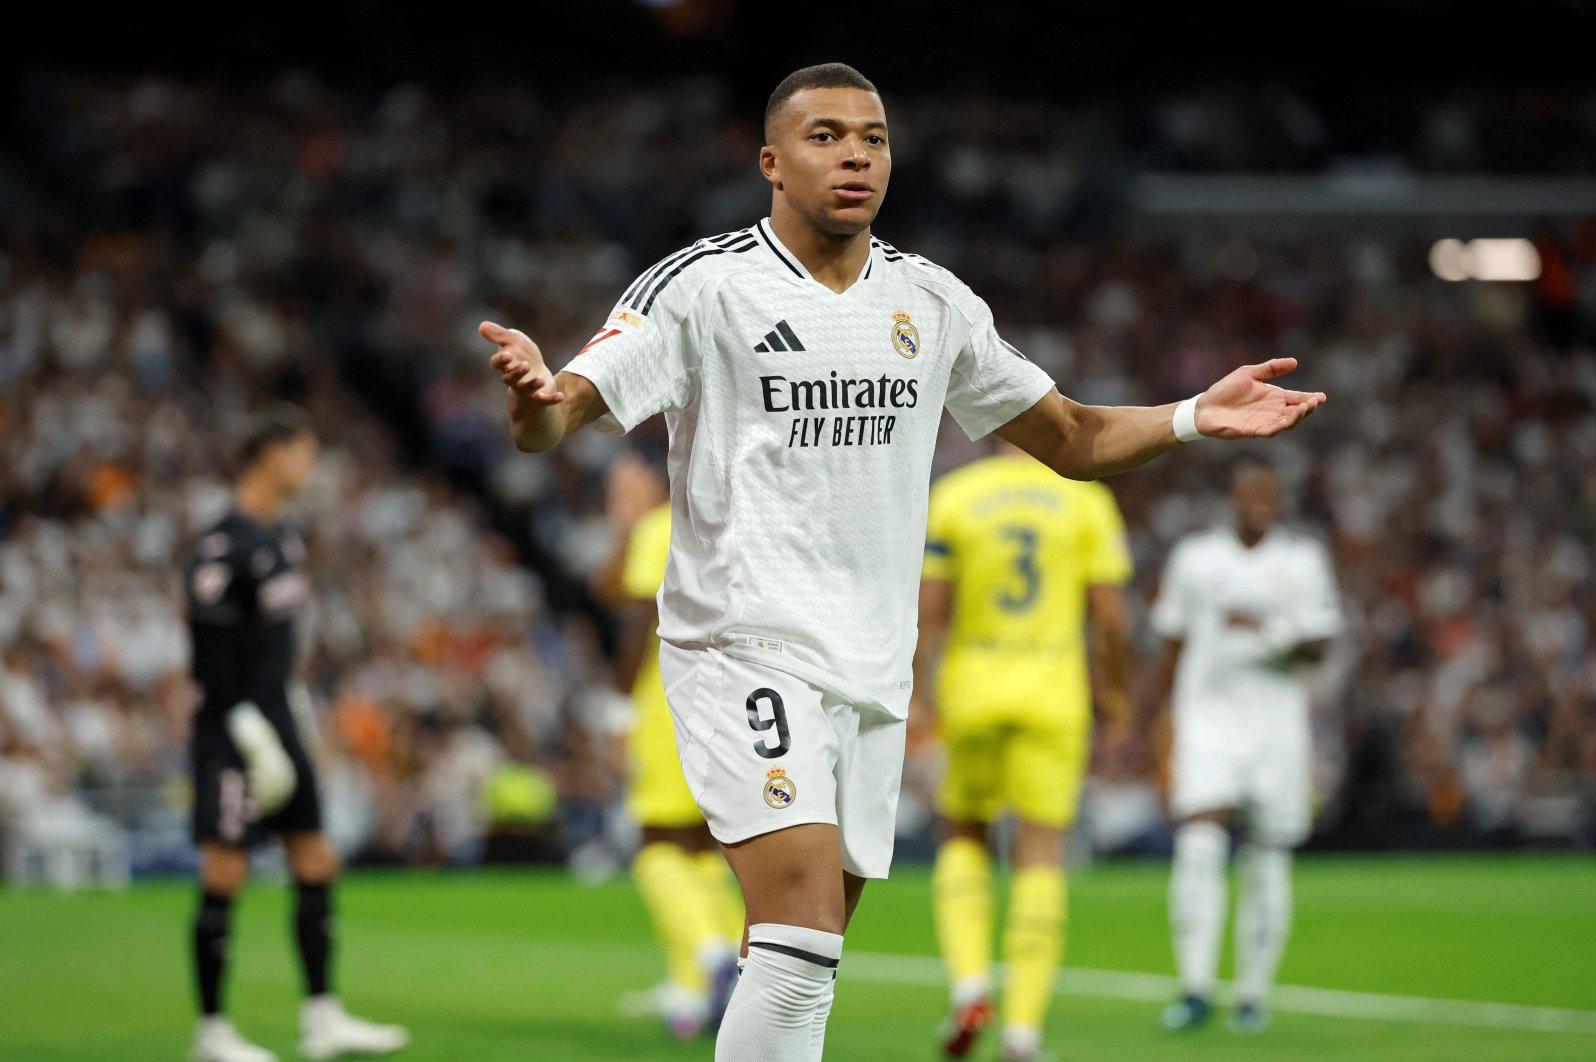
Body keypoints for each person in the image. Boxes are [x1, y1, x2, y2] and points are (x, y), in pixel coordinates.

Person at [478, 62, 1324, 1061]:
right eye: (826, 135)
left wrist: (1189, 417)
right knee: (795, 938)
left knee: (802, 951)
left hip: (872, 671)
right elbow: (567, 407)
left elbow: (1073, 436)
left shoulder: (931, 303)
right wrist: (537, 403)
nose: (854, 155)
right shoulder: (703, 287)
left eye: (872, 138)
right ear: (771, 162)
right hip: (744, 646)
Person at [185, 406, 408, 1062]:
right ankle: (212, 1032)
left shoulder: (283, 539)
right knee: (225, 869)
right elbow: (209, 660)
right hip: (232, 728)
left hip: (281, 717)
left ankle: (321, 1017)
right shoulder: (222, 546)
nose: (309, 467)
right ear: (270, 455)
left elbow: (278, 650)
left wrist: (293, 716)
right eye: (303, 453)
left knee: (316, 859)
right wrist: (249, 731)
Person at [914, 442, 1134, 1062]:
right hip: (1053, 696)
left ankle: (970, 985)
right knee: (1040, 851)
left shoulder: (957, 496)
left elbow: (930, 613)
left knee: (963, 834)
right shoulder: (1085, 500)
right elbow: (1111, 619)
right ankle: (1022, 1034)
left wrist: (920, 698)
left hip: (972, 693)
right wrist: (1116, 696)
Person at [1149, 455, 1342, 1034]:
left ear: (1279, 500)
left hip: (1276, 728)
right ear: (1231, 497)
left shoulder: (1302, 561)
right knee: (1199, 841)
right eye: (1250, 492)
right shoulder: (1195, 559)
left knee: (1267, 852)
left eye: (1269, 494)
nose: (1259, 502)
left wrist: (1268, 630)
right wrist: (1155, 718)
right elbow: (1173, 644)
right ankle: (1196, 988)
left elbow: (1321, 646)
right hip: (1206, 719)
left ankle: (1253, 994)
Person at [592, 454, 744, 1038]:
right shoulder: (726, 526)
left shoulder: (660, 529)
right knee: (703, 848)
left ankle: (711, 958)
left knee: (656, 843)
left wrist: (619, 710)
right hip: (733, 700)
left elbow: (631, 617)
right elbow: (607, 584)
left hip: (671, 701)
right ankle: (705, 982)